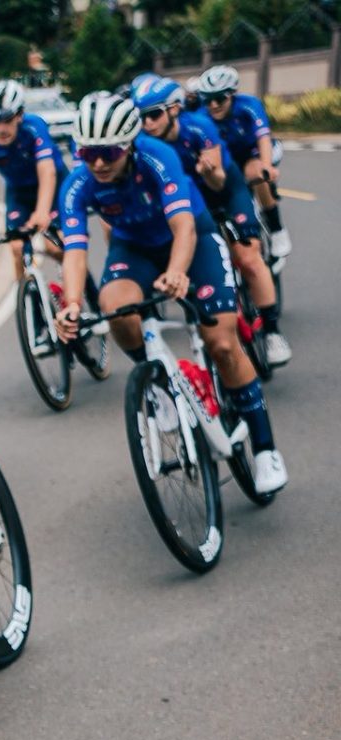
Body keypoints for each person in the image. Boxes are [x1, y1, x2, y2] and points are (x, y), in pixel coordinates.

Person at [53, 96, 287, 494]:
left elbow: (184, 228)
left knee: (221, 342)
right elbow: (75, 251)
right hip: (134, 249)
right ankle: (158, 385)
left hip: (193, 238)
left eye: (109, 152)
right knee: (114, 308)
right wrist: (72, 304)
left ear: (129, 145)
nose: (98, 163)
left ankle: (265, 450)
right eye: (88, 153)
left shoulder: (157, 157)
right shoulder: (77, 184)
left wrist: (178, 271)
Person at [134, 76, 290, 367]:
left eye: (153, 114)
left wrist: (208, 171)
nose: (147, 123)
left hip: (224, 191)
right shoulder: (143, 144)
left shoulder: (199, 126)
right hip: (191, 203)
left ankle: (272, 332)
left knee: (248, 258)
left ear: (174, 109)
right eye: (141, 117)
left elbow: (218, 182)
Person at [0, 79, 70, 280]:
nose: (1, 128)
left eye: (8, 120)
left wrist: (42, 211)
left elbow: (47, 172)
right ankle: (23, 294)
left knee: (55, 246)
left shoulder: (34, 126)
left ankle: (79, 286)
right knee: (17, 247)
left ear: (20, 115)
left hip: (54, 185)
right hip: (19, 191)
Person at [195, 64, 290, 258]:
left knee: (257, 174)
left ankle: (277, 229)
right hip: (230, 157)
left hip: (256, 150)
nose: (214, 105)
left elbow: (263, 137)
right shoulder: (201, 116)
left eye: (220, 98)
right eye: (208, 100)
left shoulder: (249, 105)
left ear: (232, 94)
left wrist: (267, 166)